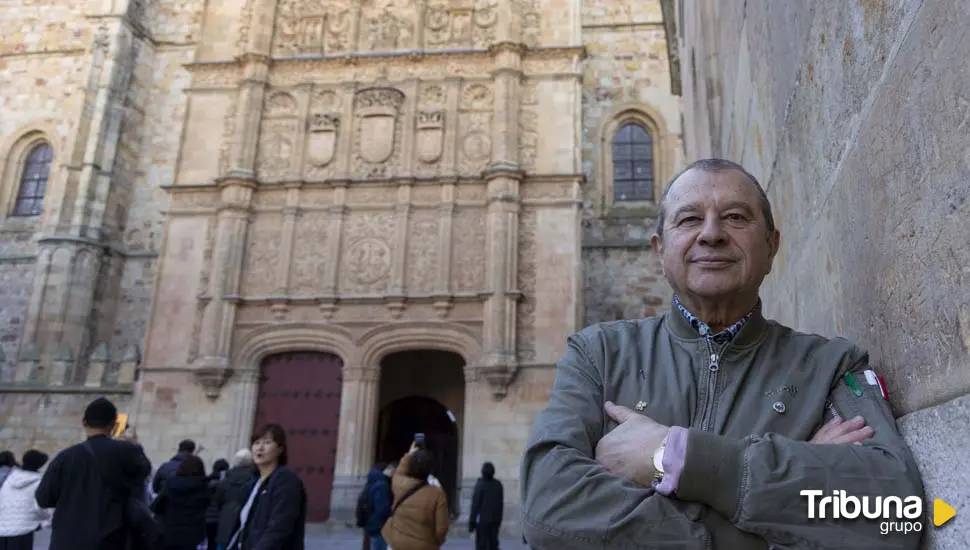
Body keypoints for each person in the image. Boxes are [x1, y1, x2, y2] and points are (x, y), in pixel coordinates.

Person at [520, 159, 924, 549]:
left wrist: (676, 456)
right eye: (690, 219)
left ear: (771, 246)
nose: (711, 234)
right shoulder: (598, 354)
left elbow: (893, 512)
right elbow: (547, 508)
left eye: (735, 217)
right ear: (660, 249)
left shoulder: (832, 367)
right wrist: (774, 514)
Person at [36, 396, 153, 550]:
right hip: (112, 539)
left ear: (84, 421)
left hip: (67, 540)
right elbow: (144, 474)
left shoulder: (65, 457)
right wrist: (134, 444)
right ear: (113, 424)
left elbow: (43, 498)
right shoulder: (128, 451)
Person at [226, 424, 306, 550]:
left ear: (280, 449)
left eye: (267, 442)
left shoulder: (285, 480)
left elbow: (279, 527)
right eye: (256, 443)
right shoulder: (253, 484)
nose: (260, 448)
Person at [380, 442, 450, 550]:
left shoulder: (399, 484)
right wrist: (433, 543)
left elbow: (399, 471)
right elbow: (441, 528)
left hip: (397, 543)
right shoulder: (437, 493)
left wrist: (410, 453)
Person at [151, 454, 210, 550]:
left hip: (169, 531)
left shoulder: (171, 484)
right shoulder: (204, 487)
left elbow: (157, 506)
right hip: (192, 534)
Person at [0, 450, 52, 550]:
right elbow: (40, 507)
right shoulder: (39, 483)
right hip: (23, 530)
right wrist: (46, 521)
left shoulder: (9, 478)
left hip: (2, 529)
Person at [213, 450, 257, 550]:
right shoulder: (254, 479)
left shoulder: (226, 479)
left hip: (226, 516)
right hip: (246, 519)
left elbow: (217, 499)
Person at [468, 462, 503, 550]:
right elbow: (500, 504)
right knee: (493, 544)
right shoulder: (498, 485)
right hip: (494, 520)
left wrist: (472, 522)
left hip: (483, 521)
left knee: (481, 545)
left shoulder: (480, 485)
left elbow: (475, 505)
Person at [360, 462, 393, 550]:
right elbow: (382, 509)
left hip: (371, 524)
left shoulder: (373, 481)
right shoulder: (382, 485)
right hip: (379, 527)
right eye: (393, 470)